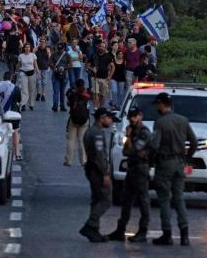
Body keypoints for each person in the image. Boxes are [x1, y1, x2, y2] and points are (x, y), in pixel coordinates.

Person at [150, 92, 198, 246]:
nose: (156, 107)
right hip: (180, 163)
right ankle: (185, 235)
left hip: (165, 163)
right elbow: (194, 141)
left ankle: (167, 233)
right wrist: (187, 157)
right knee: (179, 198)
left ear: (162, 104)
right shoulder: (183, 120)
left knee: (164, 199)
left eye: (157, 104)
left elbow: (155, 145)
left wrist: (151, 161)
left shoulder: (160, 122)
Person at [108, 106, 152, 243]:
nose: (132, 119)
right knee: (126, 201)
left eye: (134, 116)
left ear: (140, 116)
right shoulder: (132, 131)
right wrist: (129, 142)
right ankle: (120, 230)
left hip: (140, 169)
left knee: (144, 202)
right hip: (131, 169)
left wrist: (128, 139)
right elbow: (125, 152)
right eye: (130, 117)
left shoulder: (144, 132)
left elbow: (134, 149)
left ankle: (143, 231)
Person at [80, 107, 114, 243]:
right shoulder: (97, 134)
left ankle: (95, 231)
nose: (110, 121)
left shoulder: (90, 131)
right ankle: (91, 225)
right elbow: (100, 156)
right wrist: (105, 174)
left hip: (91, 169)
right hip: (97, 171)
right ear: (102, 118)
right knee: (106, 200)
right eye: (109, 118)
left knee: (96, 200)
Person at [64, 79, 91, 166]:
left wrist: (71, 91)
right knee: (81, 141)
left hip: (73, 120)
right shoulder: (86, 96)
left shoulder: (73, 95)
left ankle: (68, 160)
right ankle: (83, 160)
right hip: (84, 121)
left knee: (71, 140)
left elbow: (68, 102)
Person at [0, 71, 22, 160]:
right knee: (15, 132)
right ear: (11, 78)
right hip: (13, 113)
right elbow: (19, 100)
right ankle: (17, 153)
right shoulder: (15, 88)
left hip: (1, 113)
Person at [89, 40, 114, 109]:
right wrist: (92, 68)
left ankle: (101, 107)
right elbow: (87, 65)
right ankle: (96, 107)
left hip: (104, 78)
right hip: (95, 77)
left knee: (103, 95)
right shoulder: (94, 55)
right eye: (100, 46)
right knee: (95, 93)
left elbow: (113, 67)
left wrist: (110, 76)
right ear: (98, 46)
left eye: (103, 47)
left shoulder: (108, 56)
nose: (101, 48)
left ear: (105, 48)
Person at [18, 43, 39, 111]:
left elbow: (35, 64)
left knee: (32, 89)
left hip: (32, 73)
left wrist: (38, 72)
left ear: (30, 48)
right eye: (26, 47)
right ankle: (23, 104)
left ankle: (31, 104)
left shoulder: (33, 55)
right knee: (24, 89)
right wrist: (15, 72)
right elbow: (19, 65)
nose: (27, 49)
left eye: (28, 47)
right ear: (24, 48)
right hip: (23, 73)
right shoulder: (21, 55)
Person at [51, 44, 68, 112]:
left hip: (64, 75)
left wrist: (65, 68)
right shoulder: (54, 54)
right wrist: (54, 67)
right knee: (56, 91)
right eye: (59, 49)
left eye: (61, 49)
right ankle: (55, 105)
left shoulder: (67, 55)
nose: (60, 50)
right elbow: (50, 62)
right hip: (55, 74)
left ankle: (62, 105)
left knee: (62, 91)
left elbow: (70, 63)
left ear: (64, 49)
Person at [35, 40, 51, 104]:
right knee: (38, 81)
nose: (42, 43)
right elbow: (33, 54)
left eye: (44, 42)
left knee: (44, 82)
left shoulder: (47, 50)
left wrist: (48, 51)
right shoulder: (37, 49)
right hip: (38, 67)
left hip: (45, 67)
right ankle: (38, 93)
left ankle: (43, 94)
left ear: (45, 43)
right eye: (41, 42)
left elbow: (50, 57)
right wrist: (36, 47)